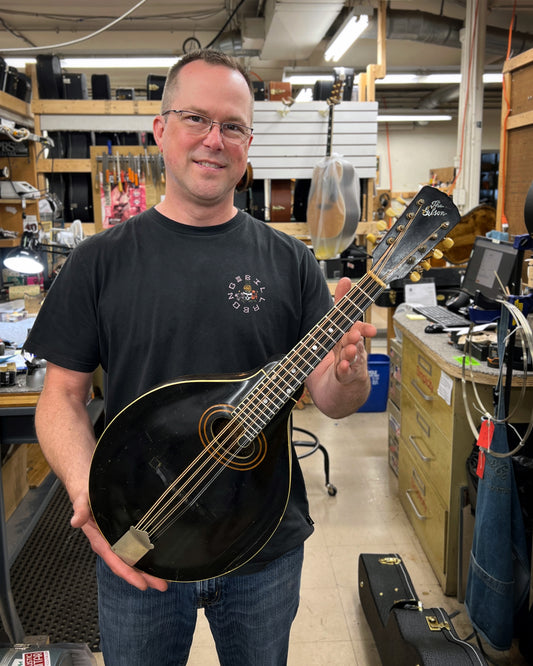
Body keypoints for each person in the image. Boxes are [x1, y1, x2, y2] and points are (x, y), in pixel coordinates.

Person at [24, 49, 376, 666]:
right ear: (161, 130)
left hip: (263, 544)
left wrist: (349, 378)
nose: (214, 140)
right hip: (142, 540)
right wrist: (93, 501)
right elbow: (62, 398)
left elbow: (331, 397)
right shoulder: (99, 262)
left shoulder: (289, 262)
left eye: (233, 125)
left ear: (247, 142)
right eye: (196, 119)